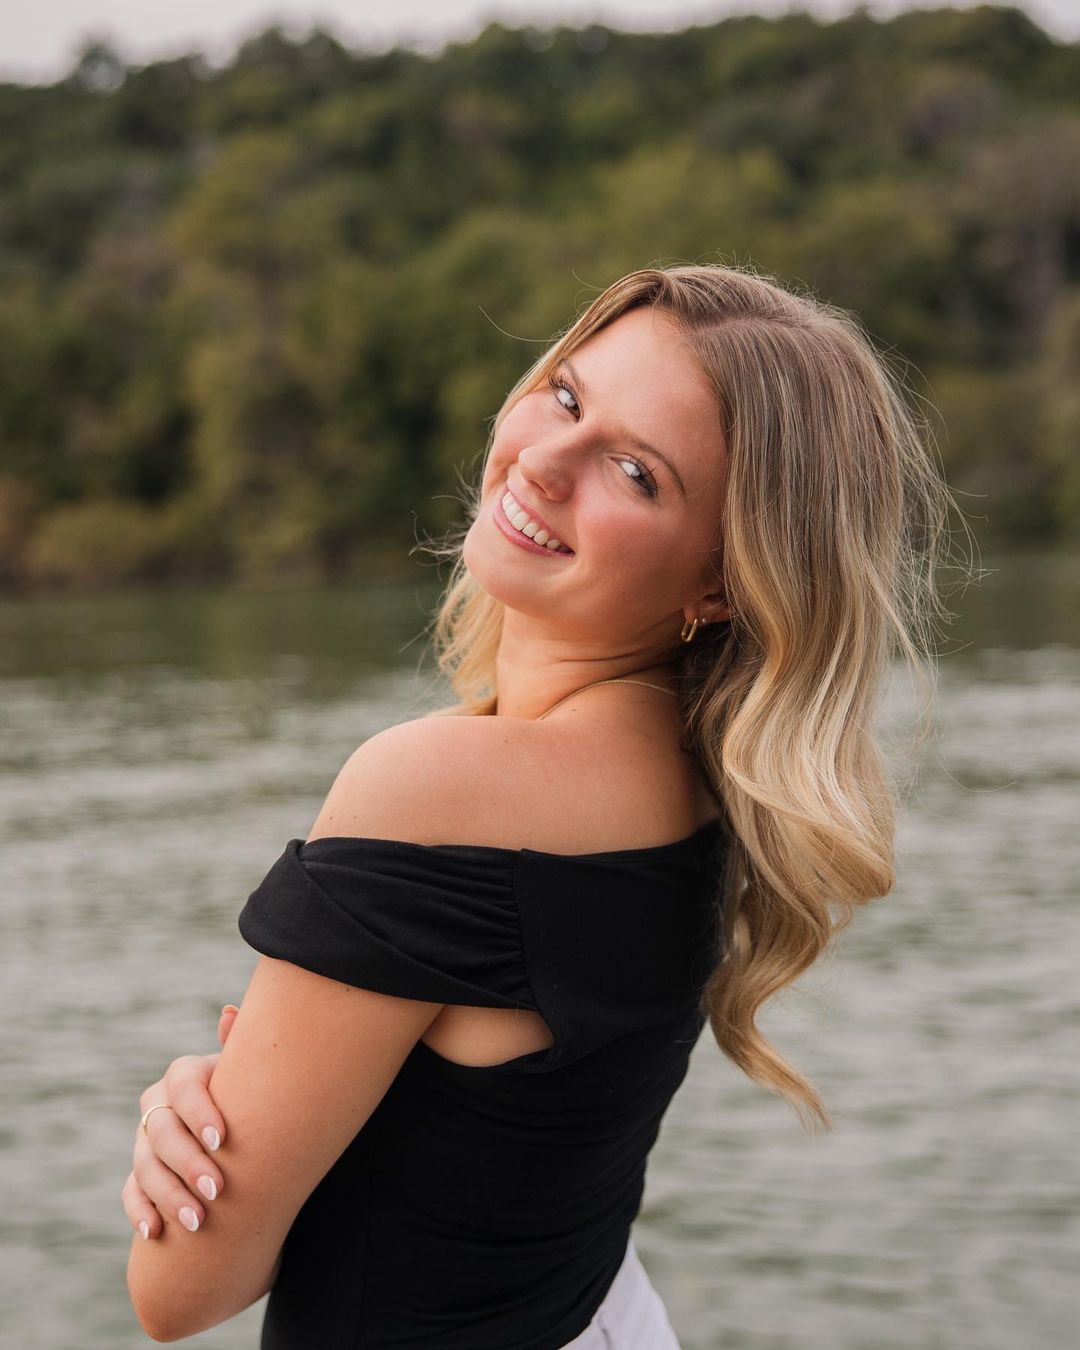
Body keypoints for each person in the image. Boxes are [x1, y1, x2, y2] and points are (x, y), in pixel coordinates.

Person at [122, 264, 958, 1346]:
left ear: (722, 584)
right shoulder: (706, 779)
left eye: (636, 473)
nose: (547, 462)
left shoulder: (438, 787)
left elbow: (179, 1292)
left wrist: (193, 1113)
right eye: (567, 397)